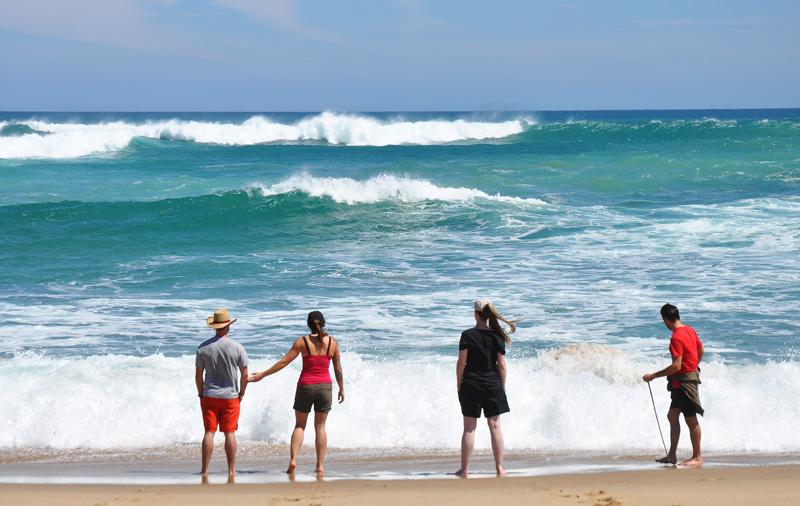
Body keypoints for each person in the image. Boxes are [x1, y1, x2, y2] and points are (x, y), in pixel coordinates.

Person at [248, 311, 344, 474]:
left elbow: (284, 362)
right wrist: (341, 388)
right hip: (325, 387)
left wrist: (263, 374)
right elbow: (338, 368)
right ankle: (319, 466)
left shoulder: (302, 342)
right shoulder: (333, 343)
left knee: (300, 425)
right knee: (320, 427)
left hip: (305, 386)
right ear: (323, 323)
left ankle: (293, 460)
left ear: (308, 324)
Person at [455, 299, 517, 478]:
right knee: (495, 426)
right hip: (492, 385)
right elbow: (502, 365)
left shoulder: (467, 335)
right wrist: (502, 386)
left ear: (475, 314)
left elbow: (461, 363)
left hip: (471, 385)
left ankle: (464, 470)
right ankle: (499, 468)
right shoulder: (497, 336)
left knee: (468, 428)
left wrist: (459, 383)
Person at [643, 303, 705, 467]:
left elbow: (676, 366)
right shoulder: (690, 330)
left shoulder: (676, 337)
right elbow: (701, 351)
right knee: (672, 416)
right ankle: (672, 456)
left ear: (665, 319)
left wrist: (653, 376)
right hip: (680, 383)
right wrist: (693, 367)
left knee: (691, 420)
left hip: (684, 383)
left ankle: (697, 457)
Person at [195, 308, 249, 476]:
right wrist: (241, 393)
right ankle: (232, 470)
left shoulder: (203, 348)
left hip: (209, 395)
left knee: (209, 433)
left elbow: (198, 375)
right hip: (230, 397)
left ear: (215, 326)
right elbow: (245, 373)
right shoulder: (237, 347)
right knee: (229, 433)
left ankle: (204, 470)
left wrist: (200, 394)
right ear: (228, 326)